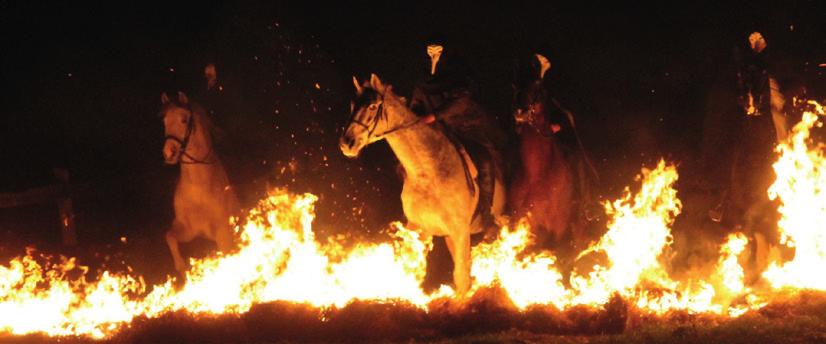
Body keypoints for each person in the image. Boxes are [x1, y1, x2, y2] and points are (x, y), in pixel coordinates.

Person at [408, 34, 507, 228]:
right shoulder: (421, 81)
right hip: (435, 132)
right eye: (430, 52)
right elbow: (417, 104)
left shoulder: (458, 74)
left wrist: (433, 117)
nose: (433, 56)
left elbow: (460, 102)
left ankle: (486, 215)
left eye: (437, 52)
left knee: (484, 159)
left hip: (464, 127)